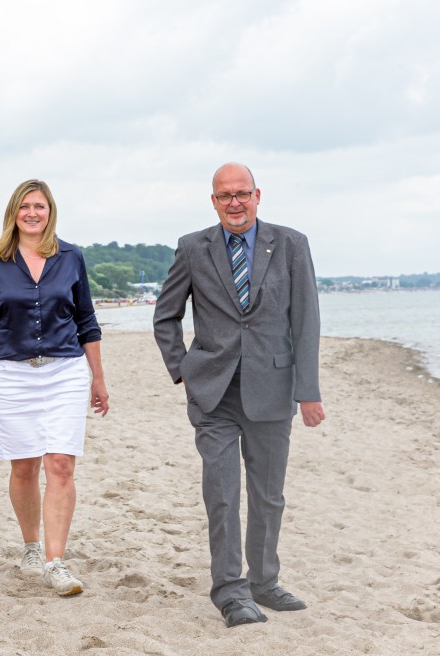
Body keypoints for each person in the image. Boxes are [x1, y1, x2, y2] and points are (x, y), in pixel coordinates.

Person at [153, 162, 326, 628]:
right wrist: (182, 369)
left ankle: (264, 582)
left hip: (273, 388)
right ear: (213, 201)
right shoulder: (193, 248)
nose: (234, 202)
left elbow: (305, 321)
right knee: (223, 494)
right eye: (224, 195)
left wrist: (309, 391)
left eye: (242, 193)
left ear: (257, 195)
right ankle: (230, 592)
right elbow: (165, 316)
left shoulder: (291, 244)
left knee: (269, 496)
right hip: (213, 394)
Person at [0, 179, 109, 597]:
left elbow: (87, 322)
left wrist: (98, 378)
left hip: (65, 372)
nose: (32, 213)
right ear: (14, 213)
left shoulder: (71, 257)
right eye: (25, 206)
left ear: (50, 211)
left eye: (39, 206)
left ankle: (56, 563)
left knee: (61, 463)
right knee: (24, 466)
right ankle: (31, 546)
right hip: (11, 374)